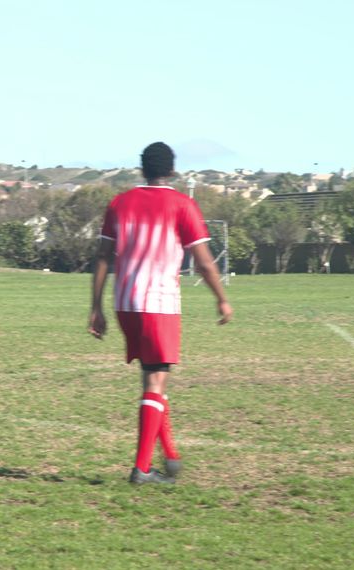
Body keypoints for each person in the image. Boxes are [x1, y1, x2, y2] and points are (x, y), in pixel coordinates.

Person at [88, 142, 233, 485]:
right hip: (159, 304)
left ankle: (170, 456)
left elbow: (103, 257)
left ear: (141, 168)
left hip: (125, 303)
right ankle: (141, 469)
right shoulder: (182, 205)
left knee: (153, 379)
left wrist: (95, 307)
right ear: (171, 170)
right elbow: (203, 261)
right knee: (156, 380)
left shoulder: (120, 203)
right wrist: (222, 299)